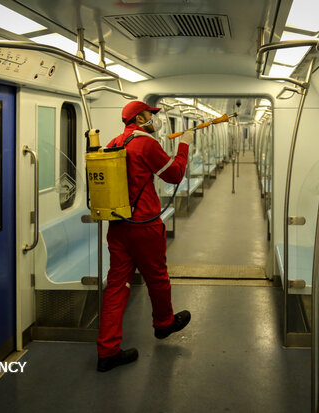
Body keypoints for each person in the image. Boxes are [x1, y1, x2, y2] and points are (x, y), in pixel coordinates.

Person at [96, 101, 195, 372]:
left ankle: (107, 351)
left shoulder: (115, 142)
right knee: (157, 277)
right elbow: (174, 175)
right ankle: (164, 323)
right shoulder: (145, 143)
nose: (155, 119)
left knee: (117, 287)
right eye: (152, 115)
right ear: (140, 118)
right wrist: (184, 144)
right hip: (144, 226)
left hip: (118, 225)